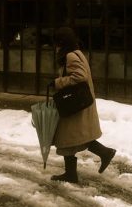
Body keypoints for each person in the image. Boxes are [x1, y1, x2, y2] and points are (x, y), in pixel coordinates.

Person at [50, 26, 116, 183]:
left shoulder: (71, 56)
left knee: (69, 137)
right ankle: (101, 155)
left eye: (57, 42)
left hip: (75, 104)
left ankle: (75, 171)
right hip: (78, 102)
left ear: (62, 42)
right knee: (74, 137)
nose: (55, 46)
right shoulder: (76, 52)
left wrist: (57, 82)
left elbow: (80, 76)